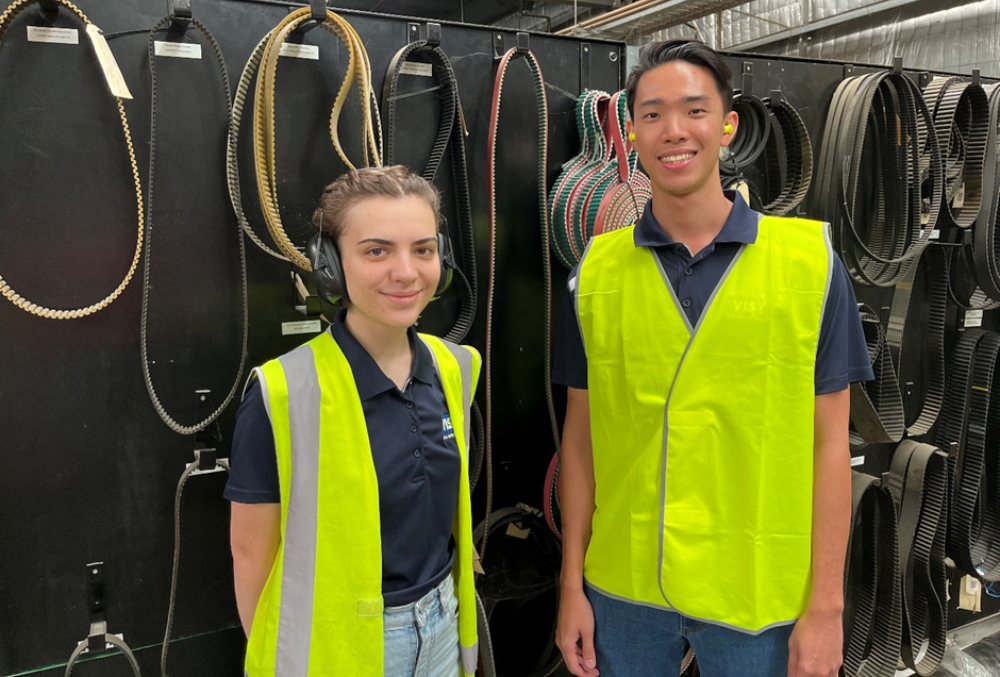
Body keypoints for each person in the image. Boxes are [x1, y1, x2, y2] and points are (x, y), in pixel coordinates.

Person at [553, 40, 873, 677]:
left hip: (756, 590)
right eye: (652, 114)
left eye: (695, 111)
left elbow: (829, 444)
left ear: (727, 126)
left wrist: (827, 609)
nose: (674, 131)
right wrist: (571, 589)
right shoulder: (594, 274)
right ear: (632, 132)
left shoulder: (809, 266)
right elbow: (581, 441)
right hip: (626, 587)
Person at [225, 166, 480, 677]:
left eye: (423, 249)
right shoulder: (282, 392)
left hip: (444, 627)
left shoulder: (456, 366)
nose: (406, 272)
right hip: (338, 646)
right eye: (377, 251)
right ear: (331, 266)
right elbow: (251, 558)